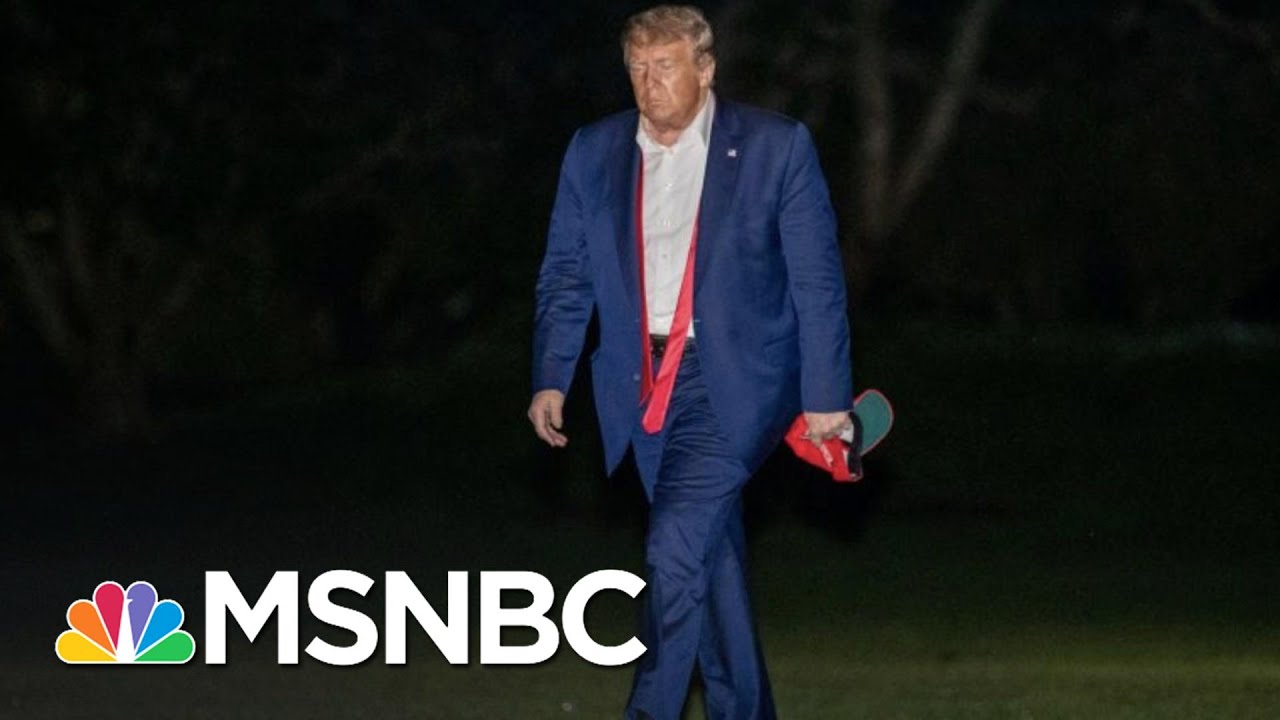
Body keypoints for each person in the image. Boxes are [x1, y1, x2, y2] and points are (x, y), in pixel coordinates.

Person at [527, 5, 852, 718]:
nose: (650, 83)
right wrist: (552, 375)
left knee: (674, 548)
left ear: (705, 69)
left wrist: (827, 394)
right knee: (711, 561)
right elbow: (567, 273)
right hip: (640, 383)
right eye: (637, 69)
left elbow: (816, 280)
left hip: (733, 379)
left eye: (666, 66)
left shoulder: (774, 147)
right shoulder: (594, 150)